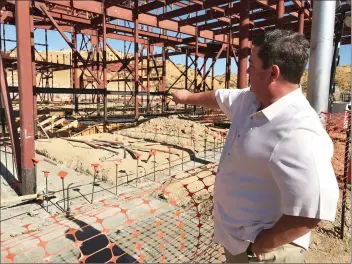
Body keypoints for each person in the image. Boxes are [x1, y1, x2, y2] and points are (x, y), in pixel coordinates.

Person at [171, 29, 339, 263]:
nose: (247, 69)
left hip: (265, 251)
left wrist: (260, 246)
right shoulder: (249, 100)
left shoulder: (299, 131)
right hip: (239, 242)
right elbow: (219, 97)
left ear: (272, 72)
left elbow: (311, 213)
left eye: (252, 63)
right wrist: (187, 97)